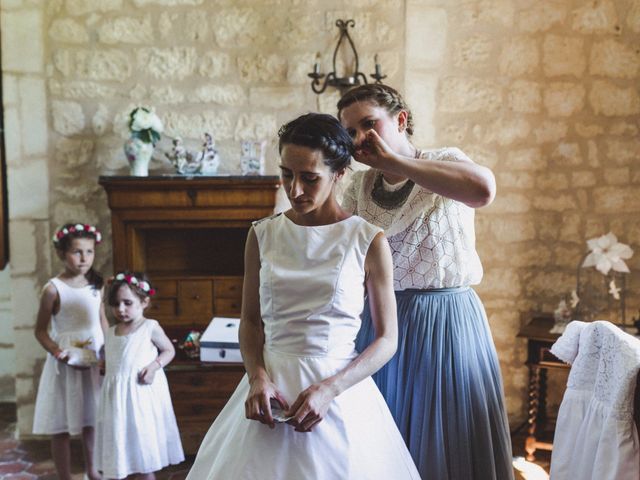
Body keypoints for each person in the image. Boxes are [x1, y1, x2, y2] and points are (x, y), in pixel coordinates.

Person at [186, 113, 420, 479]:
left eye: (310, 178)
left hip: (338, 391)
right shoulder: (262, 234)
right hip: (269, 389)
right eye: (286, 174)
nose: (294, 190)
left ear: (339, 173)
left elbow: (388, 339)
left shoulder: (368, 240)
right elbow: (249, 322)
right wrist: (256, 377)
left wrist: (330, 389)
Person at [337, 84, 514, 480]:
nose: (360, 138)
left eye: (369, 124)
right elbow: (339, 251)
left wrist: (398, 163)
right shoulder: (359, 189)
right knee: (386, 438)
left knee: (448, 439)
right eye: (349, 131)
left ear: (400, 120)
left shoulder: (446, 161)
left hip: (446, 323)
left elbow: (483, 190)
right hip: (382, 325)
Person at [33, 222, 108, 480]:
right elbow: (40, 331)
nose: (84, 258)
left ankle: (92, 470)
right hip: (66, 363)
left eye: (89, 251)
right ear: (62, 253)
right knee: (61, 423)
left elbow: (101, 321)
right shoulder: (53, 289)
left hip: (93, 359)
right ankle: (64, 475)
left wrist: (108, 350)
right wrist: (58, 352)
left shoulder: (96, 285)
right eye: (77, 252)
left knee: (92, 419)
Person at [95, 272, 184, 480]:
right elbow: (112, 356)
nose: (121, 309)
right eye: (116, 304)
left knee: (142, 451)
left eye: (127, 303)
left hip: (139, 399)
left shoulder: (149, 327)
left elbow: (169, 350)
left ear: (144, 302)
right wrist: (104, 364)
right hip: (117, 401)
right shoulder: (112, 332)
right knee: (122, 450)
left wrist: (154, 366)